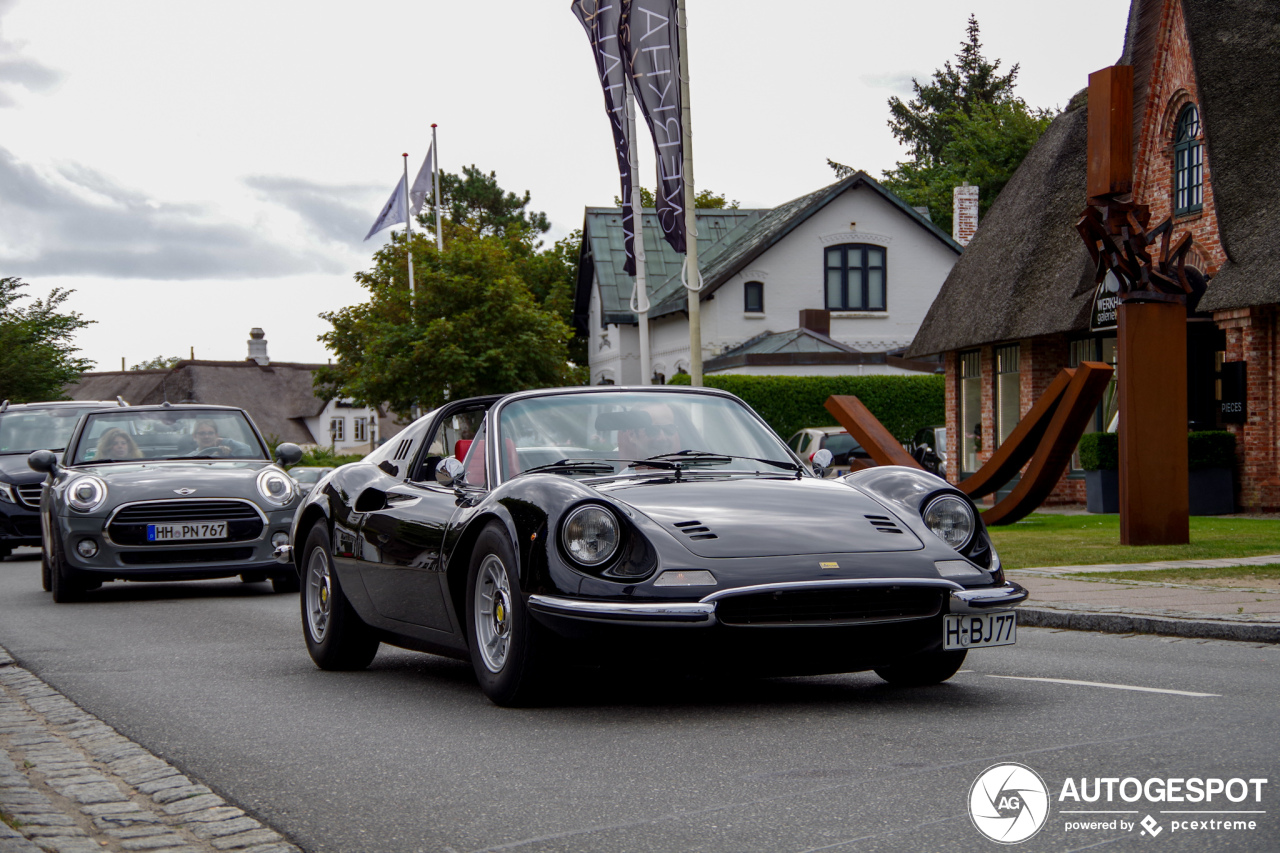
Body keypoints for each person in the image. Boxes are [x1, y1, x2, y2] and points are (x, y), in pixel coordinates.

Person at [617, 402, 683, 461]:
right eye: (652, 430)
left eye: (669, 429)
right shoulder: (615, 474)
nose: (662, 438)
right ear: (632, 434)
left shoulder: (690, 471)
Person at [186, 420, 252, 458]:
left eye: (211, 433)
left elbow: (250, 450)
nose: (206, 436)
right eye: (202, 433)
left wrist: (227, 443)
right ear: (194, 436)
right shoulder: (188, 458)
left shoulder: (227, 454)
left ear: (217, 436)